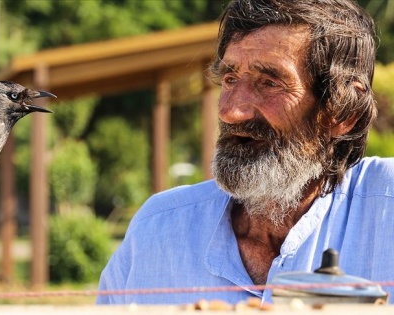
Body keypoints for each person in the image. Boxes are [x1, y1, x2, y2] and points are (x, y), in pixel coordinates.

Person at [97, 0, 394, 305]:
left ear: (342, 113)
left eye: (269, 83)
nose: (230, 111)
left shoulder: (386, 210)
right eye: (230, 79)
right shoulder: (158, 228)